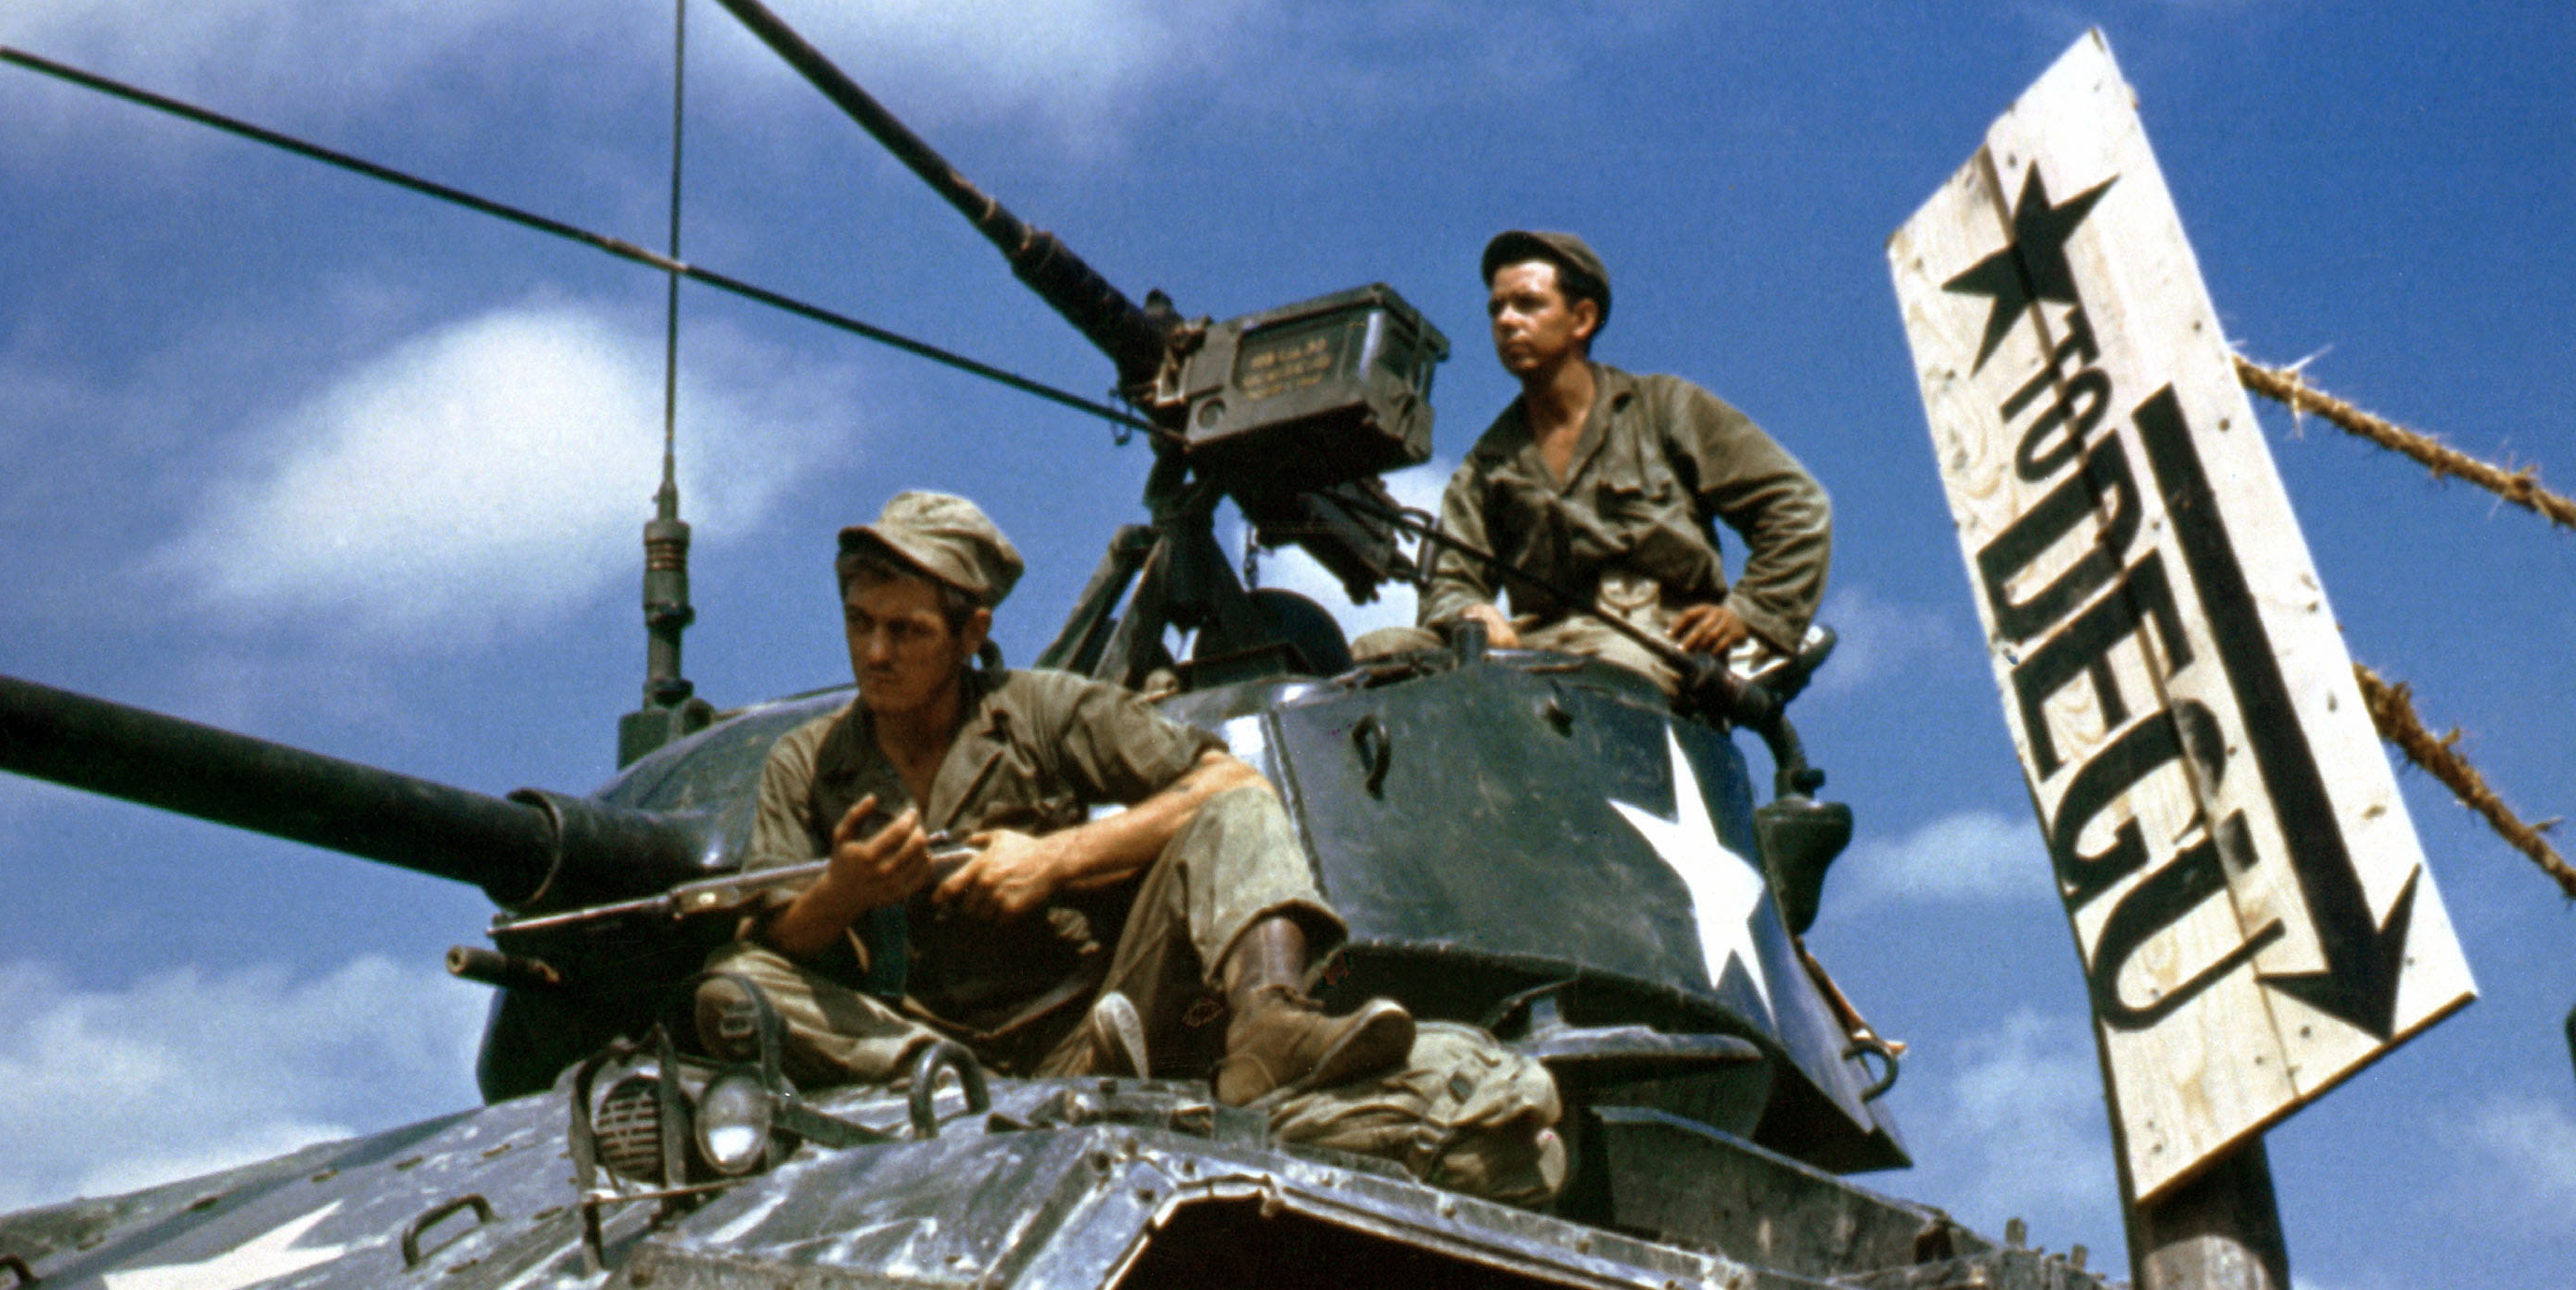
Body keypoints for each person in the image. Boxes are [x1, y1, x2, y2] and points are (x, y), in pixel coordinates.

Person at [695, 491, 1412, 1106]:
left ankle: (1271, 1029)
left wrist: (1053, 860)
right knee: (731, 988)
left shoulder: (1043, 710)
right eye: (860, 623)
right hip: (914, 1045)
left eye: (906, 630)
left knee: (1235, 814)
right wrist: (843, 893)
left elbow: (1234, 781)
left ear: (971, 633)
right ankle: (955, 1090)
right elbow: (774, 938)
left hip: (1100, 1024)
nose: (875, 654)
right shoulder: (808, 762)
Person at [1418, 232, 1830, 690]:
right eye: (1497, 309)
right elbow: (1450, 580)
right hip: (1537, 646)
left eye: (1528, 304)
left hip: (1657, 640)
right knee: (1383, 653)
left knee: (1606, 678)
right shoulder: (1487, 464)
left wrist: (1750, 614)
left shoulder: (1664, 408)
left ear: (1582, 318)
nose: (1507, 321)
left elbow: (1796, 506)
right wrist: (1470, 611)